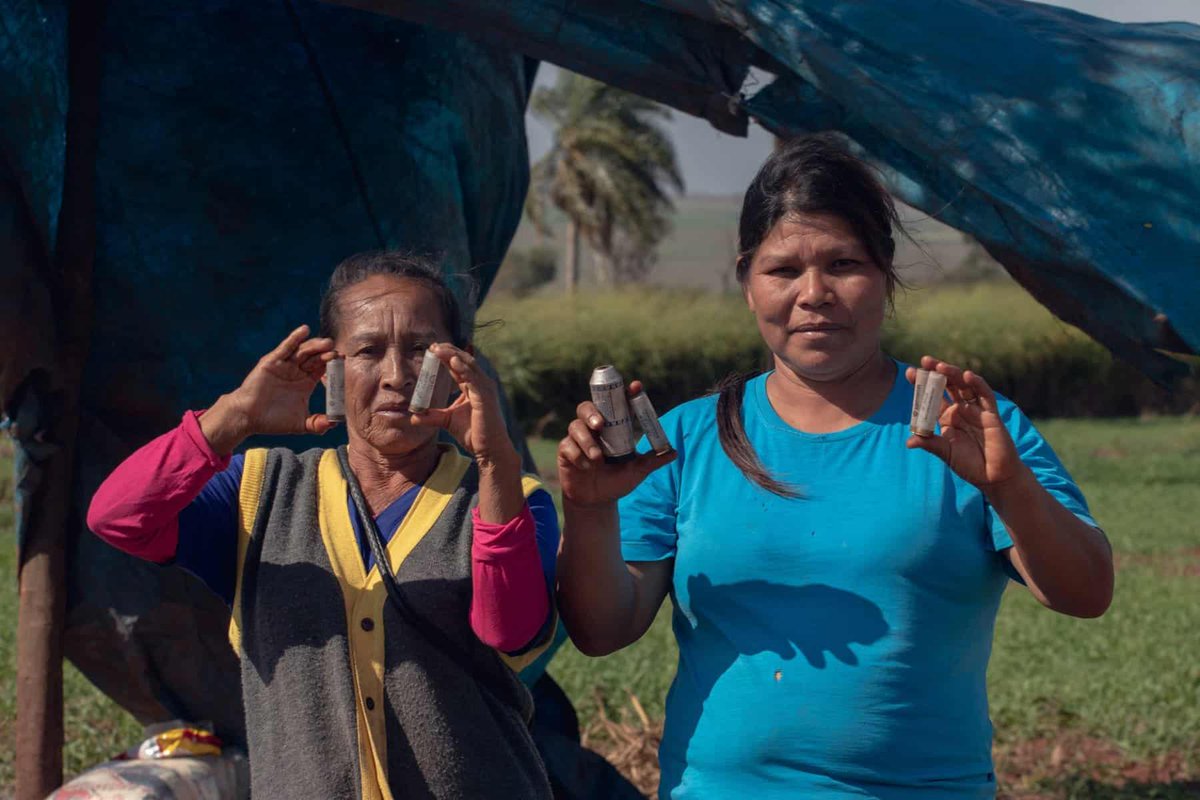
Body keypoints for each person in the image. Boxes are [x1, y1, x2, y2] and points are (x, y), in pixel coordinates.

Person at [555, 135, 1113, 799]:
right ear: (746, 282)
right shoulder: (684, 441)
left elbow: (1085, 593)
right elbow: (601, 631)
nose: (814, 293)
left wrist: (1010, 487)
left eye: (844, 264)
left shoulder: (962, 427)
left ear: (884, 273)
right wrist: (589, 509)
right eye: (784, 270)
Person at [88, 251, 557, 799]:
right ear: (330, 368)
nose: (395, 376)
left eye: (420, 350)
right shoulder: (258, 492)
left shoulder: (511, 501)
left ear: (460, 367)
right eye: (367, 351)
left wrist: (496, 460)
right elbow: (117, 517)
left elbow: (512, 630)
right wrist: (234, 415)